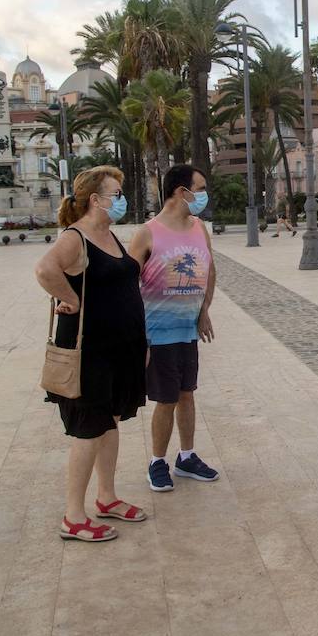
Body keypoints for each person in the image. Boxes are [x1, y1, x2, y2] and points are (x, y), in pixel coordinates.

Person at [35, 166, 148, 542]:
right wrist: (69, 298)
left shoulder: (110, 236)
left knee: (111, 422)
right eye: (116, 193)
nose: (122, 199)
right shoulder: (76, 237)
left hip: (121, 349)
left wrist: (140, 344)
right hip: (90, 353)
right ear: (95, 200)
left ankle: (107, 497)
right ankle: (72, 516)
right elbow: (45, 269)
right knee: (89, 429)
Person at [129, 165, 220, 492]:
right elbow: (126, 285)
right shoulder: (147, 233)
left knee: (186, 394)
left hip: (188, 331)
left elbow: (210, 268)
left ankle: (187, 456)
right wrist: (138, 337)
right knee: (165, 399)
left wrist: (204, 309)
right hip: (159, 333)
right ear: (182, 192)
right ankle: (157, 461)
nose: (204, 194)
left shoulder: (199, 228)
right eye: (200, 187)